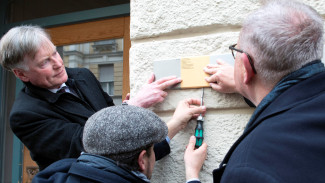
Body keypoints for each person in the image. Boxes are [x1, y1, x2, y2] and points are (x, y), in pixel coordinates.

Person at [0, 25, 183, 170]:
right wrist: (132, 106)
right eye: (44, 62)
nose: (58, 63)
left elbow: (112, 119)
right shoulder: (25, 115)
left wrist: (127, 109)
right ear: (21, 74)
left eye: (55, 52)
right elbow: (88, 146)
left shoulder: (83, 76)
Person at [185, 0, 325, 182]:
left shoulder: (248, 170)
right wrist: (244, 84)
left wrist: (191, 176)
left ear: (246, 68)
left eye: (235, 51)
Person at [32, 99, 206, 183]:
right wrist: (192, 173)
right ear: (141, 160)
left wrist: (175, 124)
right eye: (152, 150)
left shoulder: (60, 174)